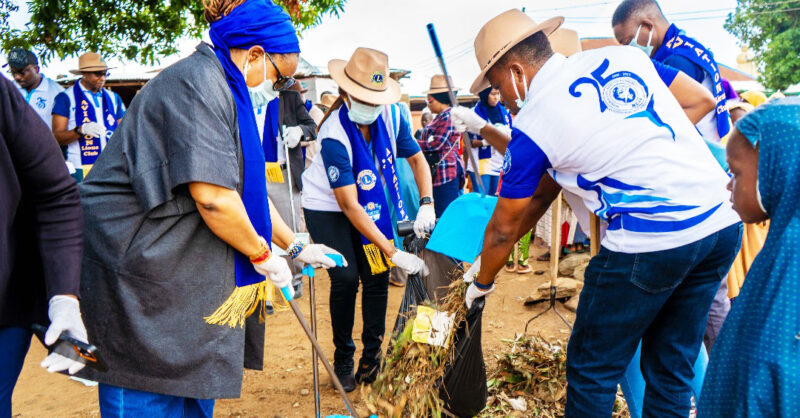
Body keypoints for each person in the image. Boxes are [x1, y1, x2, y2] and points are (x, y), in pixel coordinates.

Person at [454, 10, 741, 417]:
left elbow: (503, 228)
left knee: (592, 369)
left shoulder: (533, 123)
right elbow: (698, 99)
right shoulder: (625, 58)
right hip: (719, 223)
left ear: (517, 71)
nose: (500, 96)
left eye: (498, 83)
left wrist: (480, 281)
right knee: (671, 366)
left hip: (652, 238)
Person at [76, 1, 343, 415]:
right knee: (146, 387)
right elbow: (214, 199)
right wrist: (261, 254)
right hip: (138, 267)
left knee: (192, 382)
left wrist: (294, 246)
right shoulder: (196, 84)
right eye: (278, 78)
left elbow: (242, 194)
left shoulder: (227, 89)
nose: (276, 88)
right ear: (255, 55)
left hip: (183, 274)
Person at [301, 47, 434, 391]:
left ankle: (371, 359)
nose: (371, 107)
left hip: (370, 206)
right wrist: (392, 251)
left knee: (376, 277)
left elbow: (418, 161)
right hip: (329, 209)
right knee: (345, 278)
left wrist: (426, 203)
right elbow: (348, 205)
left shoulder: (392, 116)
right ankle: (344, 357)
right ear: (346, 93)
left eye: (376, 100)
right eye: (363, 99)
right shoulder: (333, 134)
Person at [699, 97, 800, 416]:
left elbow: (773, 366)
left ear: (776, 167)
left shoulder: (791, 252)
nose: (729, 184)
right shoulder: (784, 239)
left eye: (737, 173)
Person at [0, 75, 88, 416]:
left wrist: (63, 296)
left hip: (8, 299)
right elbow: (60, 133)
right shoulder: (68, 98)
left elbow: (55, 194)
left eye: (102, 72)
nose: (99, 77)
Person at [613, 0, 731, 145]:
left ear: (647, 26)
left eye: (627, 41)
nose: (628, 49)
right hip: (715, 141)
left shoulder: (676, 60)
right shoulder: (688, 47)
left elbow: (670, 118)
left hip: (701, 148)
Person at [255, 74, 318, 297]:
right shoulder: (241, 94)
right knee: (255, 228)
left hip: (281, 172)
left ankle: (294, 279)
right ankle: (263, 288)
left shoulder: (288, 94)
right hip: (251, 172)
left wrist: (299, 131)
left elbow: (311, 126)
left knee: (288, 226)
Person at [51, 52, 125, 181]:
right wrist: (80, 130)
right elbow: (56, 137)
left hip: (111, 165)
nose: (102, 78)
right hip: (80, 167)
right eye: (98, 73)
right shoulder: (66, 98)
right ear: (84, 74)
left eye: (105, 73)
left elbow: (124, 129)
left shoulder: (114, 98)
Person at [418, 75, 465, 218]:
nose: (428, 104)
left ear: (440, 98)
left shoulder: (448, 116)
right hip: (439, 173)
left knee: (445, 215)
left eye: (430, 100)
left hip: (445, 174)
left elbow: (436, 144)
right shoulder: (441, 116)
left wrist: (412, 145)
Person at [6, 48, 64, 129]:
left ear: (36, 69)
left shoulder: (57, 93)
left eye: (22, 72)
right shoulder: (8, 90)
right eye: (13, 73)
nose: (17, 77)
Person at [468, 87, 510, 196]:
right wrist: (485, 142)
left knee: (493, 199)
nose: (496, 98)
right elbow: (469, 141)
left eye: (498, 94)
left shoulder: (504, 112)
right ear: (485, 95)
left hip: (498, 162)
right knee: (482, 199)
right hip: (481, 163)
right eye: (492, 94)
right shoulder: (474, 113)